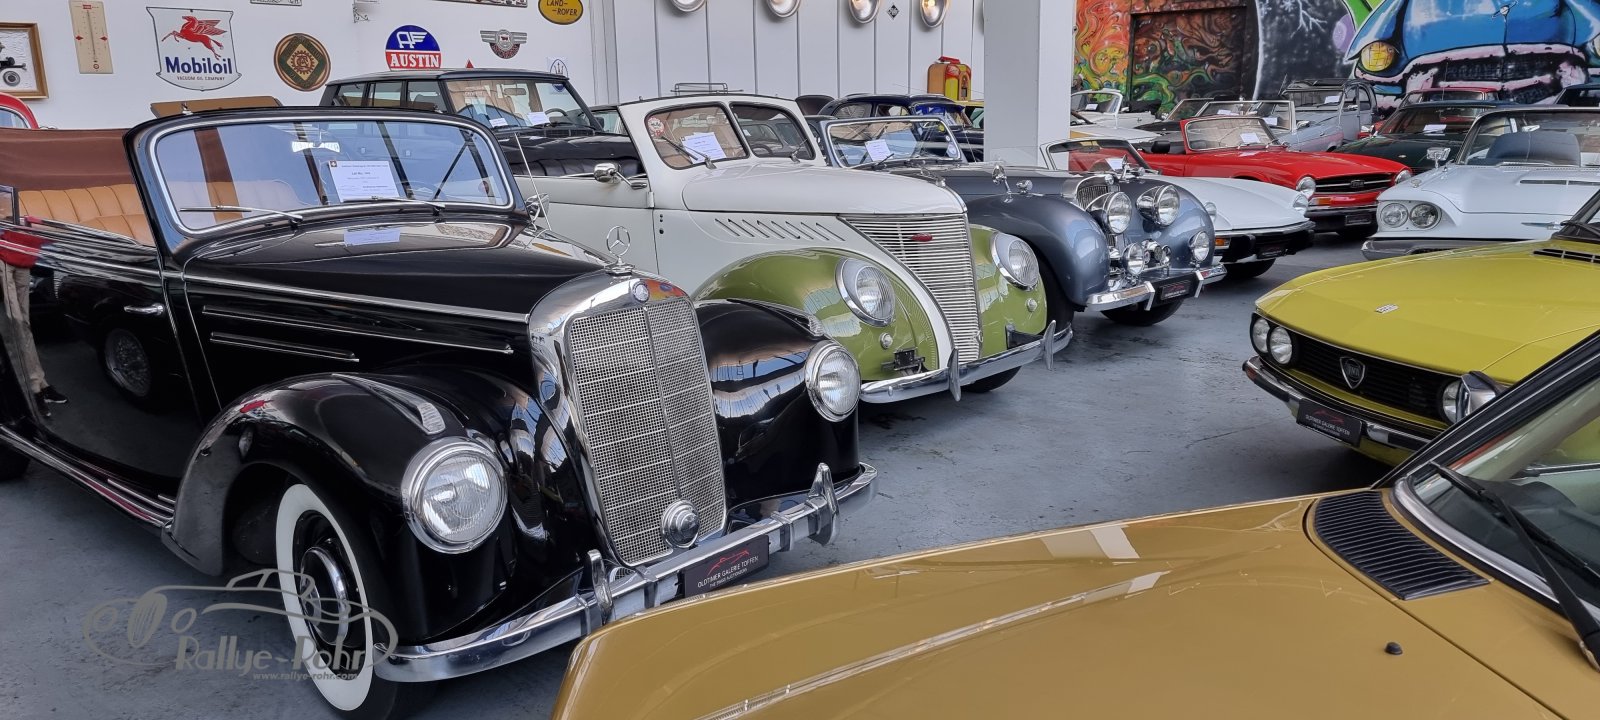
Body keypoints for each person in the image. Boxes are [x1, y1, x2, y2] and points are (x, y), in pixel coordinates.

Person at [0, 226, 64, 412]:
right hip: (4, 258)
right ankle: (32, 387)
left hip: (24, 258)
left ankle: (40, 384)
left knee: (24, 325)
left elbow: (50, 230)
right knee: (16, 323)